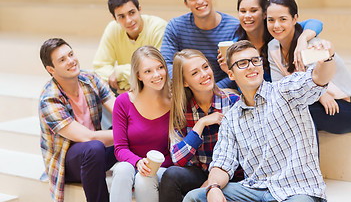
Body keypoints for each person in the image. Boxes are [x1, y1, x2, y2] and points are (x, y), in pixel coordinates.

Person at [184, 40, 332, 202]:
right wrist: (213, 187)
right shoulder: (231, 118)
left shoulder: (285, 91)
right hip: (255, 190)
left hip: (298, 191)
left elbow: (317, 78)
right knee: (195, 197)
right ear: (231, 74)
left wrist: (326, 58)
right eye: (242, 63)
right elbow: (222, 163)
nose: (251, 66)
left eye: (255, 60)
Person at [267, 0, 351, 135]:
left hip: (348, 107)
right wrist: (319, 96)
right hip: (316, 102)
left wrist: (319, 94)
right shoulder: (272, 47)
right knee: (285, 110)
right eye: (271, 20)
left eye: (283, 19)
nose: (276, 25)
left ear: (295, 19)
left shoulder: (313, 45)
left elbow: (316, 82)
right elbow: (279, 87)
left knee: (298, 113)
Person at [38, 38, 116, 202]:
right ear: (51, 69)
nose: (71, 61)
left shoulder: (90, 79)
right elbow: (89, 137)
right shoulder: (49, 100)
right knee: (94, 147)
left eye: (71, 54)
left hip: (96, 153)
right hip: (67, 163)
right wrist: (130, 133)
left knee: (129, 130)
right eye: (62, 59)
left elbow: (118, 109)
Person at [159, 49, 240, 202]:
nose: (204, 74)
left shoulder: (233, 102)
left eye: (205, 67)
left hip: (232, 174)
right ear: (184, 82)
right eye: (195, 73)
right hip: (199, 172)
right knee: (171, 175)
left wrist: (212, 181)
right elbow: (177, 158)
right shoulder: (181, 111)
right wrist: (201, 124)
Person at [110, 46, 173, 202]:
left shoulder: (175, 101)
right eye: (148, 71)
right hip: (132, 164)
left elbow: (177, 150)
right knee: (123, 169)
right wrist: (138, 162)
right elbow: (120, 148)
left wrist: (151, 167)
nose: (157, 75)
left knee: (144, 178)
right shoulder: (123, 102)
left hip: (163, 168)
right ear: (138, 75)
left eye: (160, 67)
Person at [218, 0, 324, 82]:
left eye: (253, 10)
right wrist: (231, 71)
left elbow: (315, 23)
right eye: (242, 11)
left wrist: (303, 39)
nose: (247, 16)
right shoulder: (237, 46)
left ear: (265, 13)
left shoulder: (277, 33)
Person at [160, 0, 240, 89]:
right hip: (189, 89)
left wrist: (211, 90)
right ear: (186, 3)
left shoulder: (234, 27)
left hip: (222, 91)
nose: (200, 1)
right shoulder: (175, 26)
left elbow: (237, 70)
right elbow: (167, 64)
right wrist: (193, 86)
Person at [93, 0, 167, 94]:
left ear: (139, 9)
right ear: (115, 18)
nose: (128, 20)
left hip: (156, 89)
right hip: (125, 89)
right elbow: (99, 67)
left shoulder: (158, 27)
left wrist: (119, 72)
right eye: (121, 16)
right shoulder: (112, 29)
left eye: (131, 13)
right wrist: (125, 85)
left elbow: (157, 70)